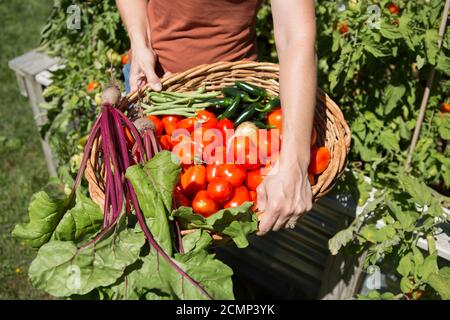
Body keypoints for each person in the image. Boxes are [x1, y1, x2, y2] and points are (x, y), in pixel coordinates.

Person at [116, 0, 316, 234]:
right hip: (153, 83)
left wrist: (296, 164)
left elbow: (295, 36)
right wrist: (139, 40)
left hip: (231, 100)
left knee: (202, 229)